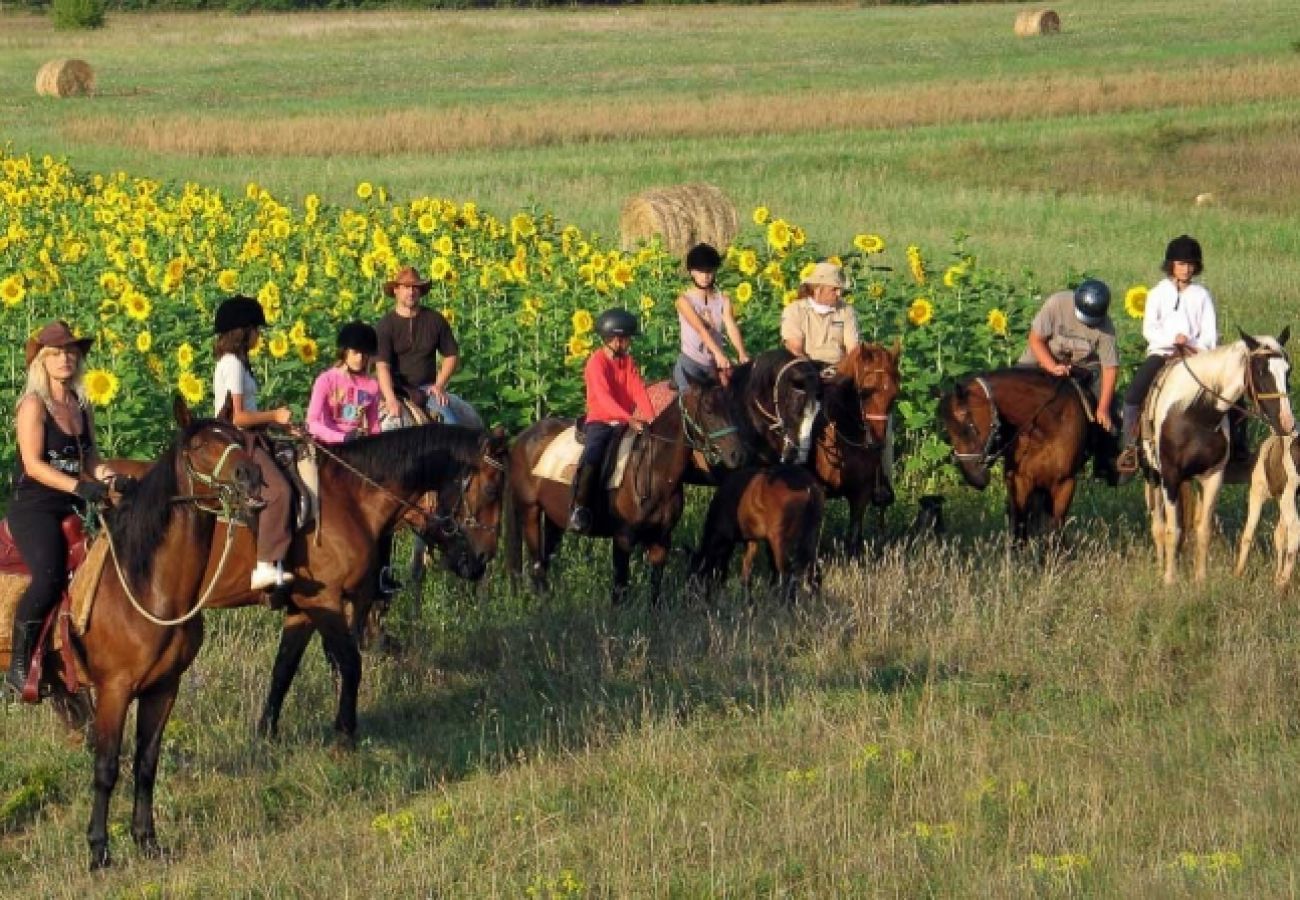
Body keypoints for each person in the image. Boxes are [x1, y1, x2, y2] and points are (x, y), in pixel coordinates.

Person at [7, 321, 129, 695]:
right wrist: (80, 486)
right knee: (48, 577)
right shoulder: (33, 405)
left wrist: (111, 478)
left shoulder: (79, 404)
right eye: (57, 353)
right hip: (36, 507)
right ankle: (18, 665)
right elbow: (33, 464)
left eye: (71, 353)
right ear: (42, 361)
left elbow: (89, 455)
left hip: (76, 502)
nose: (66, 359)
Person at [212, 295, 295, 591]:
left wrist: (280, 423)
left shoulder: (238, 363)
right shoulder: (233, 363)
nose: (260, 336)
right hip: (238, 437)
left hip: (251, 433)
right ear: (244, 332)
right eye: (256, 330)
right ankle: (264, 564)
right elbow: (237, 417)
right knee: (280, 492)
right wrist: (274, 413)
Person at [1117, 235, 1218, 476]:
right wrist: (1172, 342)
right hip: (1162, 353)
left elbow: (1210, 334)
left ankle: (1236, 447)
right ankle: (1130, 447)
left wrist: (1191, 343)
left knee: (1232, 393)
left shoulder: (1202, 295)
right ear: (1171, 264)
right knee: (1133, 395)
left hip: (1195, 357)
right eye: (1182, 263)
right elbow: (1149, 329)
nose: (1187, 268)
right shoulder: (1157, 294)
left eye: (1191, 264)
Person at [568, 308, 655, 534]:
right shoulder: (595, 363)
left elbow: (638, 390)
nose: (628, 344)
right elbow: (604, 399)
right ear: (614, 339)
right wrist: (629, 418)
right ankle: (580, 507)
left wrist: (651, 417)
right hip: (601, 420)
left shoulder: (627, 361)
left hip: (626, 421)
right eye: (626, 339)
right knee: (593, 455)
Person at [374, 265, 476, 429]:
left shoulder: (435, 320)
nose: (411, 292)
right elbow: (382, 366)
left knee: (452, 424)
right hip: (395, 389)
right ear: (396, 290)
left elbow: (451, 355)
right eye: (406, 287)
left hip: (427, 389)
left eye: (415, 287)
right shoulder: (385, 325)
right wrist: (390, 398)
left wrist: (439, 385)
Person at [673, 243, 749, 391]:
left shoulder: (723, 300)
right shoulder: (684, 301)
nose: (705, 277)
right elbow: (700, 329)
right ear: (692, 272)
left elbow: (731, 326)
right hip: (691, 364)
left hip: (713, 365)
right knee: (690, 404)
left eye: (709, 271)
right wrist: (719, 353)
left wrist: (742, 353)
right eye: (700, 272)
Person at [307, 322, 381, 444]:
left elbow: (374, 427)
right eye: (355, 352)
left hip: (354, 446)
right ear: (344, 352)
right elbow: (312, 423)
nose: (360, 359)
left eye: (364, 354)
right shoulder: (326, 380)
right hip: (325, 447)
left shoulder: (371, 386)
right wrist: (342, 438)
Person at [780, 261, 860, 369]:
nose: (839, 294)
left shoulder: (846, 311)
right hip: (806, 369)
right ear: (817, 290)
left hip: (838, 370)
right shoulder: (794, 311)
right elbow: (795, 349)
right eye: (834, 289)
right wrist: (813, 372)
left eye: (840, 289)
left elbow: (853, 350)